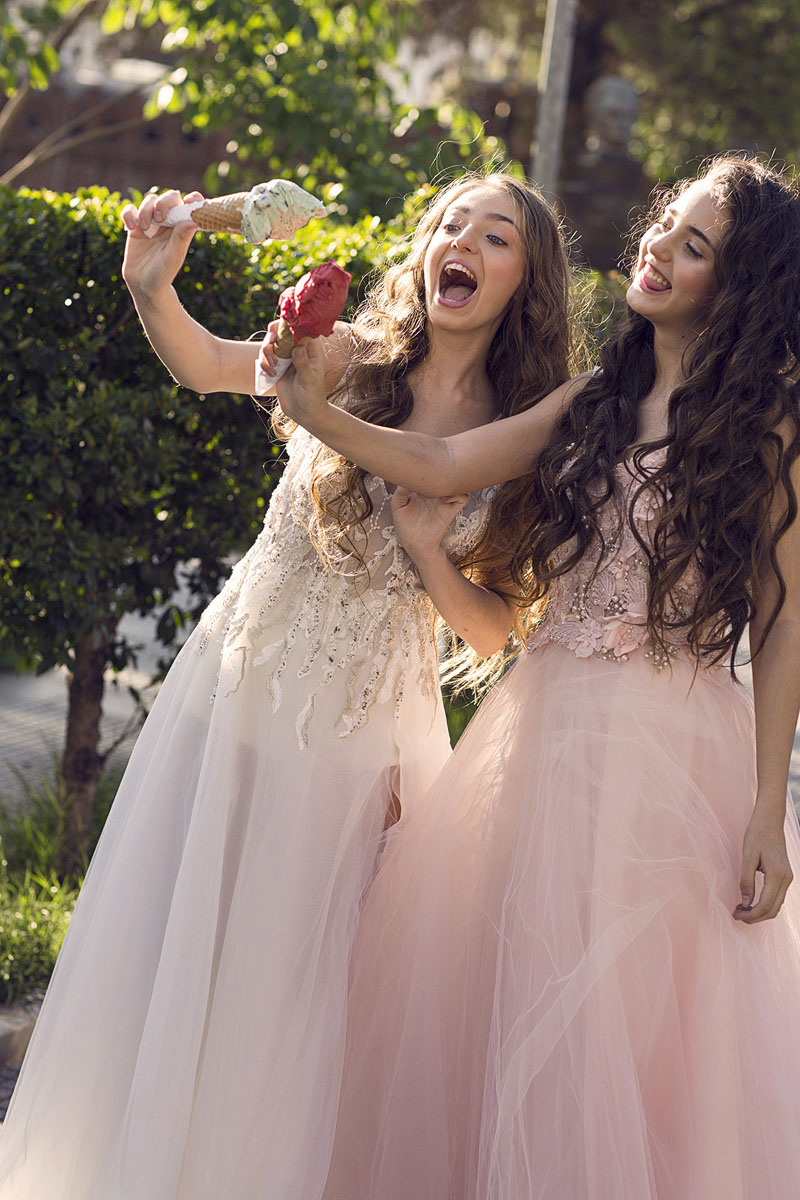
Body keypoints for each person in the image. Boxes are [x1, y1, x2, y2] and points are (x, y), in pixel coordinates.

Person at [0, 172, 580, 1199]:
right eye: (450, 224)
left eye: (494, 236)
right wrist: (151, 289)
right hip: (235, 693)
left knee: (290, 997)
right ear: (424, 250)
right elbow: (206, 364)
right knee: (176, 956)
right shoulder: (349, 355)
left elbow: (493, 633)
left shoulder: (520, 433)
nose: (463, 242)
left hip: (360, 741)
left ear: (524, 279)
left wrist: (429, 552)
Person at [276, 155, 800, 1199]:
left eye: (693, 245)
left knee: (617, 1033)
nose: (656, 247)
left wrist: (764, 808)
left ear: (737, 288)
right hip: (536, 733)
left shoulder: (767, 429)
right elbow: (445, 467)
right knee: (483, 1007)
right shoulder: (592, 399)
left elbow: (783, 624)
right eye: (665, 225)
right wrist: (317, 413)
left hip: (666, 758)